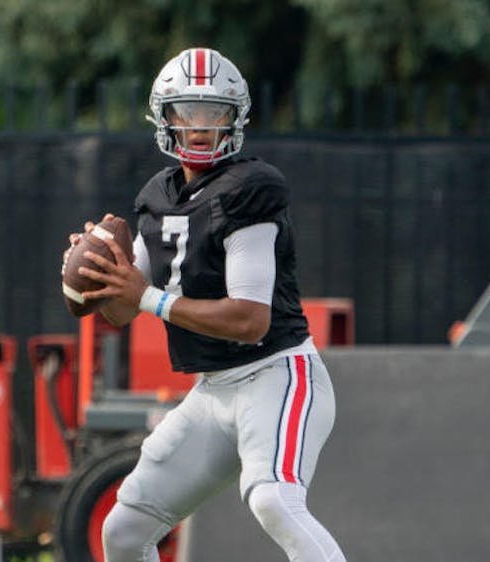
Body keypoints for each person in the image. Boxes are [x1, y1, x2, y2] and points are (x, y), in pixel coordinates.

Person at [67, 48, 345, 561]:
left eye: (213, 112)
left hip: (276, 376)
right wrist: (101, 276)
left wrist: (147, 297)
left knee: (274, 500)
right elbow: (122, 311)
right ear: (165, 118)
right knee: (123, 530)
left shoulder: (250, 191)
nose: (199, 126)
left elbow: (249, 320)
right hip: (214, 392)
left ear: (234, 119)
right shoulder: (159, 196)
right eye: (187, 112)